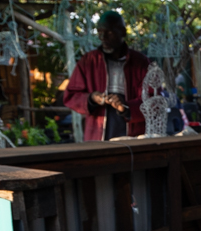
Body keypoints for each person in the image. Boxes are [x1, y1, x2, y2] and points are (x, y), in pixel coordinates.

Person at [63, 11, 150, 141]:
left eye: (109, 32)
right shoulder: (89, 61)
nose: (103, 37)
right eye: (100, 32)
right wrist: (91, 98)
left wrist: (126, 107)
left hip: (133, 135)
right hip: (97, 134)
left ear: (123, 32)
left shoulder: (141, 62)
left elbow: (153, 99)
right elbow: (71, 95)